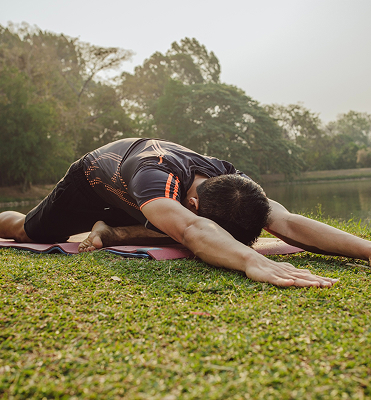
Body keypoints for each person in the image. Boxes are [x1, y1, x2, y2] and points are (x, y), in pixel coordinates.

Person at [1, 138, 370, 288]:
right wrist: (248, 260)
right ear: (193, 204)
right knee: (25, 231)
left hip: (145, 203)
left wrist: (368, 250)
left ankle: (112, 232)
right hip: (89, 182)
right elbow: (193, 230)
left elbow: (284, 220)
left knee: (192, 233)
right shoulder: (155, 178)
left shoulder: (234, 183)